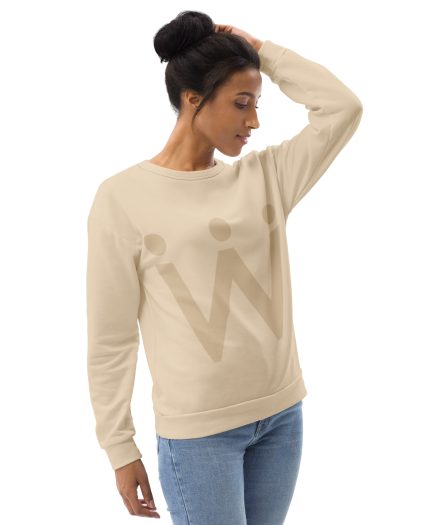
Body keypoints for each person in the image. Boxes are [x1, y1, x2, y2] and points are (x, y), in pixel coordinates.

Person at [86, 9, 363, 524]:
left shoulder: (265, 177)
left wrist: (263, 52)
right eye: (241, 104)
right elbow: (111, 337)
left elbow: (342, 108)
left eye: (256, 104)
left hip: (282, 417)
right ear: (193, 99)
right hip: (199, 435)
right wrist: (119, 447)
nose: (253, 121)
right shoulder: (122, 197)